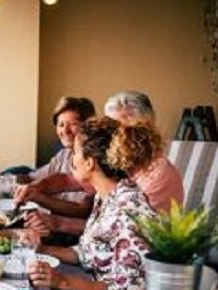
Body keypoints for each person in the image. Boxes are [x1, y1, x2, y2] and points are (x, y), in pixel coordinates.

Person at [18, 91, 184, 238]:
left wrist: (57, 223)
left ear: (143, 130)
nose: (108, 136)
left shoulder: (157, 175)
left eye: (116, 129)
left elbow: (120, 232)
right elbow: (69, 180)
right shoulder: (117, 158)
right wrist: (36, 188)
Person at [28, 117, 158, 290]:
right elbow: (90, 253)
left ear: (89, 163)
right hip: (92, 289)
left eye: (74, 152)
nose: (71, 159)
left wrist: (61, 281)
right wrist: (40, 250)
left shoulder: (128, 210)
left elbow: (128, 289)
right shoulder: (105, 196)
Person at [18, 97, 96, 219]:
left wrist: (38, 196)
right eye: (61, 125)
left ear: (88, 126)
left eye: (73, 124)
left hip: (72, 232)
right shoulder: (63, 155)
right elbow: (32, 178)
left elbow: (82, 210)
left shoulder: (95, 159)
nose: (65, 130)